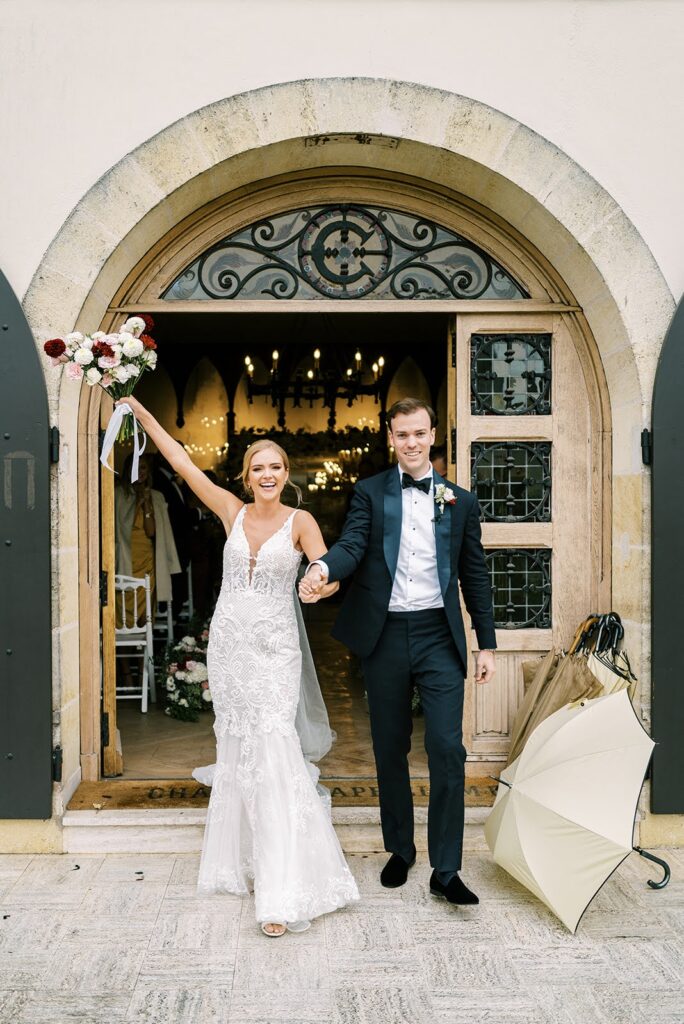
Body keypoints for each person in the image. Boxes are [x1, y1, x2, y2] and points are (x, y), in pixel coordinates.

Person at [115, 397, 360, 937]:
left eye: (275, 467)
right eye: (258, 468)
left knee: (275, 749)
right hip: (229, 649)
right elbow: (180, 461)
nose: (267, 475)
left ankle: (280, 891)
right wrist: (140, 410)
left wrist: (319, 585)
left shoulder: (301, 521)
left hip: (274, 650)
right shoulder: (231, 510)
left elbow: (331, 569)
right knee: (240, 750)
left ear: (286, 474)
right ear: (246, 477)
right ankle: (247, 862)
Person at [300, 397, 496, 906]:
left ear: (434, 435)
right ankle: (401, 850)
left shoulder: (460, 501)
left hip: (439, 635)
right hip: (385, 635)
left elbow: (475, 575)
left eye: (419, 433)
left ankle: (446, 869)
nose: (410, 442)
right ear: (391, 437)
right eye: (401, 434)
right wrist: (323, 568)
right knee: (390, 746)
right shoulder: (370, 493)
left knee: (447, 748)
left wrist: (487, 645)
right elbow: (352, 544)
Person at [114, 452, 181, 625]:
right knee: (124, 600)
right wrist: (137, 501)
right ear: (128, 469)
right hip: (126, 556)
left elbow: (152, 532)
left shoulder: (156, 496)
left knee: (145, 607)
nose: (140, 471)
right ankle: (124, 646)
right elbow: (122, 525)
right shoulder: (118, 494)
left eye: (143, 467)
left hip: (147, 560)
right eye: (135, 466)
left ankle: (146, 643)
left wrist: (146, 502)